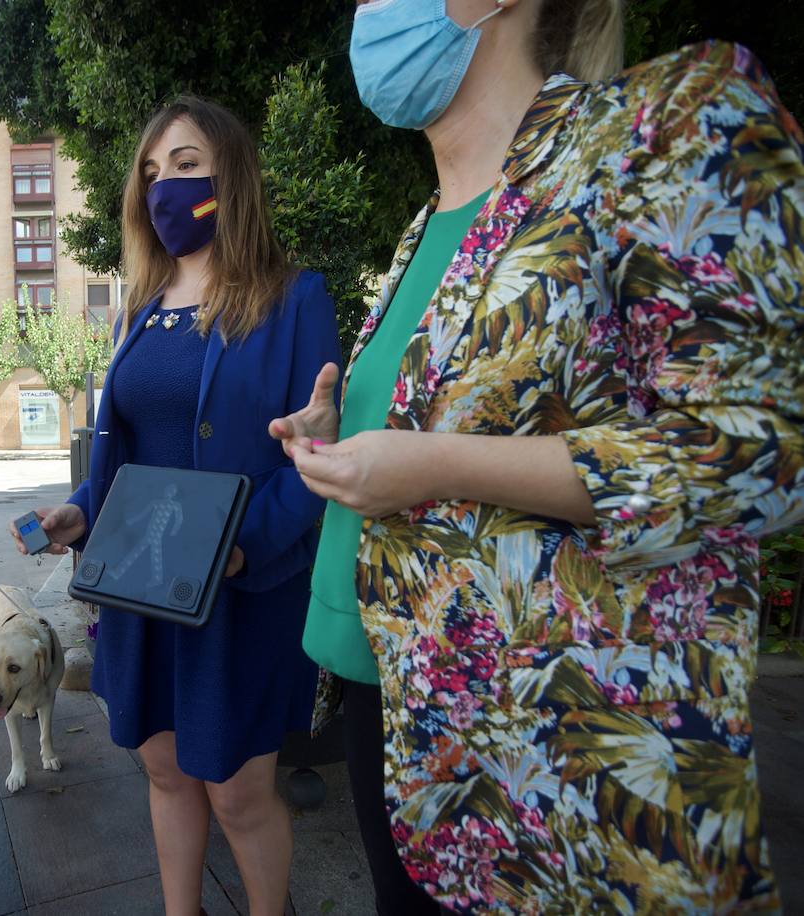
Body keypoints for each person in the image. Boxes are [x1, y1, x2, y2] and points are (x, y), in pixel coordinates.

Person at [274, 1, 803, 911]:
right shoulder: (426, 225)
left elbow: (759, 451)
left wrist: (439, 465)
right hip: (389, 704)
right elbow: (439, 413)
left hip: (547, 763)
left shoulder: (666, 125)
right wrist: (336, 425)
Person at [13, 97, 343, 916]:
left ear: (232, 176)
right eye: (153, 171)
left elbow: (318, 458)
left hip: (239, 592)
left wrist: (236, 547)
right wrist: (83, 512)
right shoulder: (136, 306)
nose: (165, 186)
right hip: (142, 590)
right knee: (163, 769)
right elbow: (135, 452)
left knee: (237, 792)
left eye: (187, 164)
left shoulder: (294, 298)